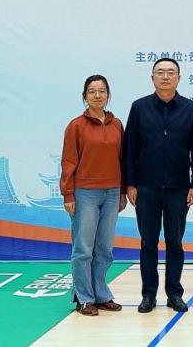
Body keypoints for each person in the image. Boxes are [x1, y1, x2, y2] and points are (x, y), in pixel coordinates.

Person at [123, 57, 193, 314]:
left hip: (179, 188)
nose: (166, 76)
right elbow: (129, 149)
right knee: (148, 243)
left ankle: (174, 294)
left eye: (171, 72)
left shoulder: (190, 108)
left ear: (179, 78)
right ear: (152, 78)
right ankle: (148, 295)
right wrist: (130, 184)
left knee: (175, 243)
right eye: (160, 72)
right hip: (146, 187)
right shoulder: (139, 107)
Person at [61, 75, 126, 316]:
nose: (97, 95)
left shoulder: (117, 124)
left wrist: (122, 191)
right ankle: (84, 298)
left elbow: (122, 159)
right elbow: (68, 161)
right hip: (84, 193)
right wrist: (68, 193)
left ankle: (101, 294)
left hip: (112, 192)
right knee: (83, 248)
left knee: (105, 248)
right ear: (84, 96)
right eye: (92, 91)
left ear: (108, 95)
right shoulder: (76, 126)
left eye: (102, 91)